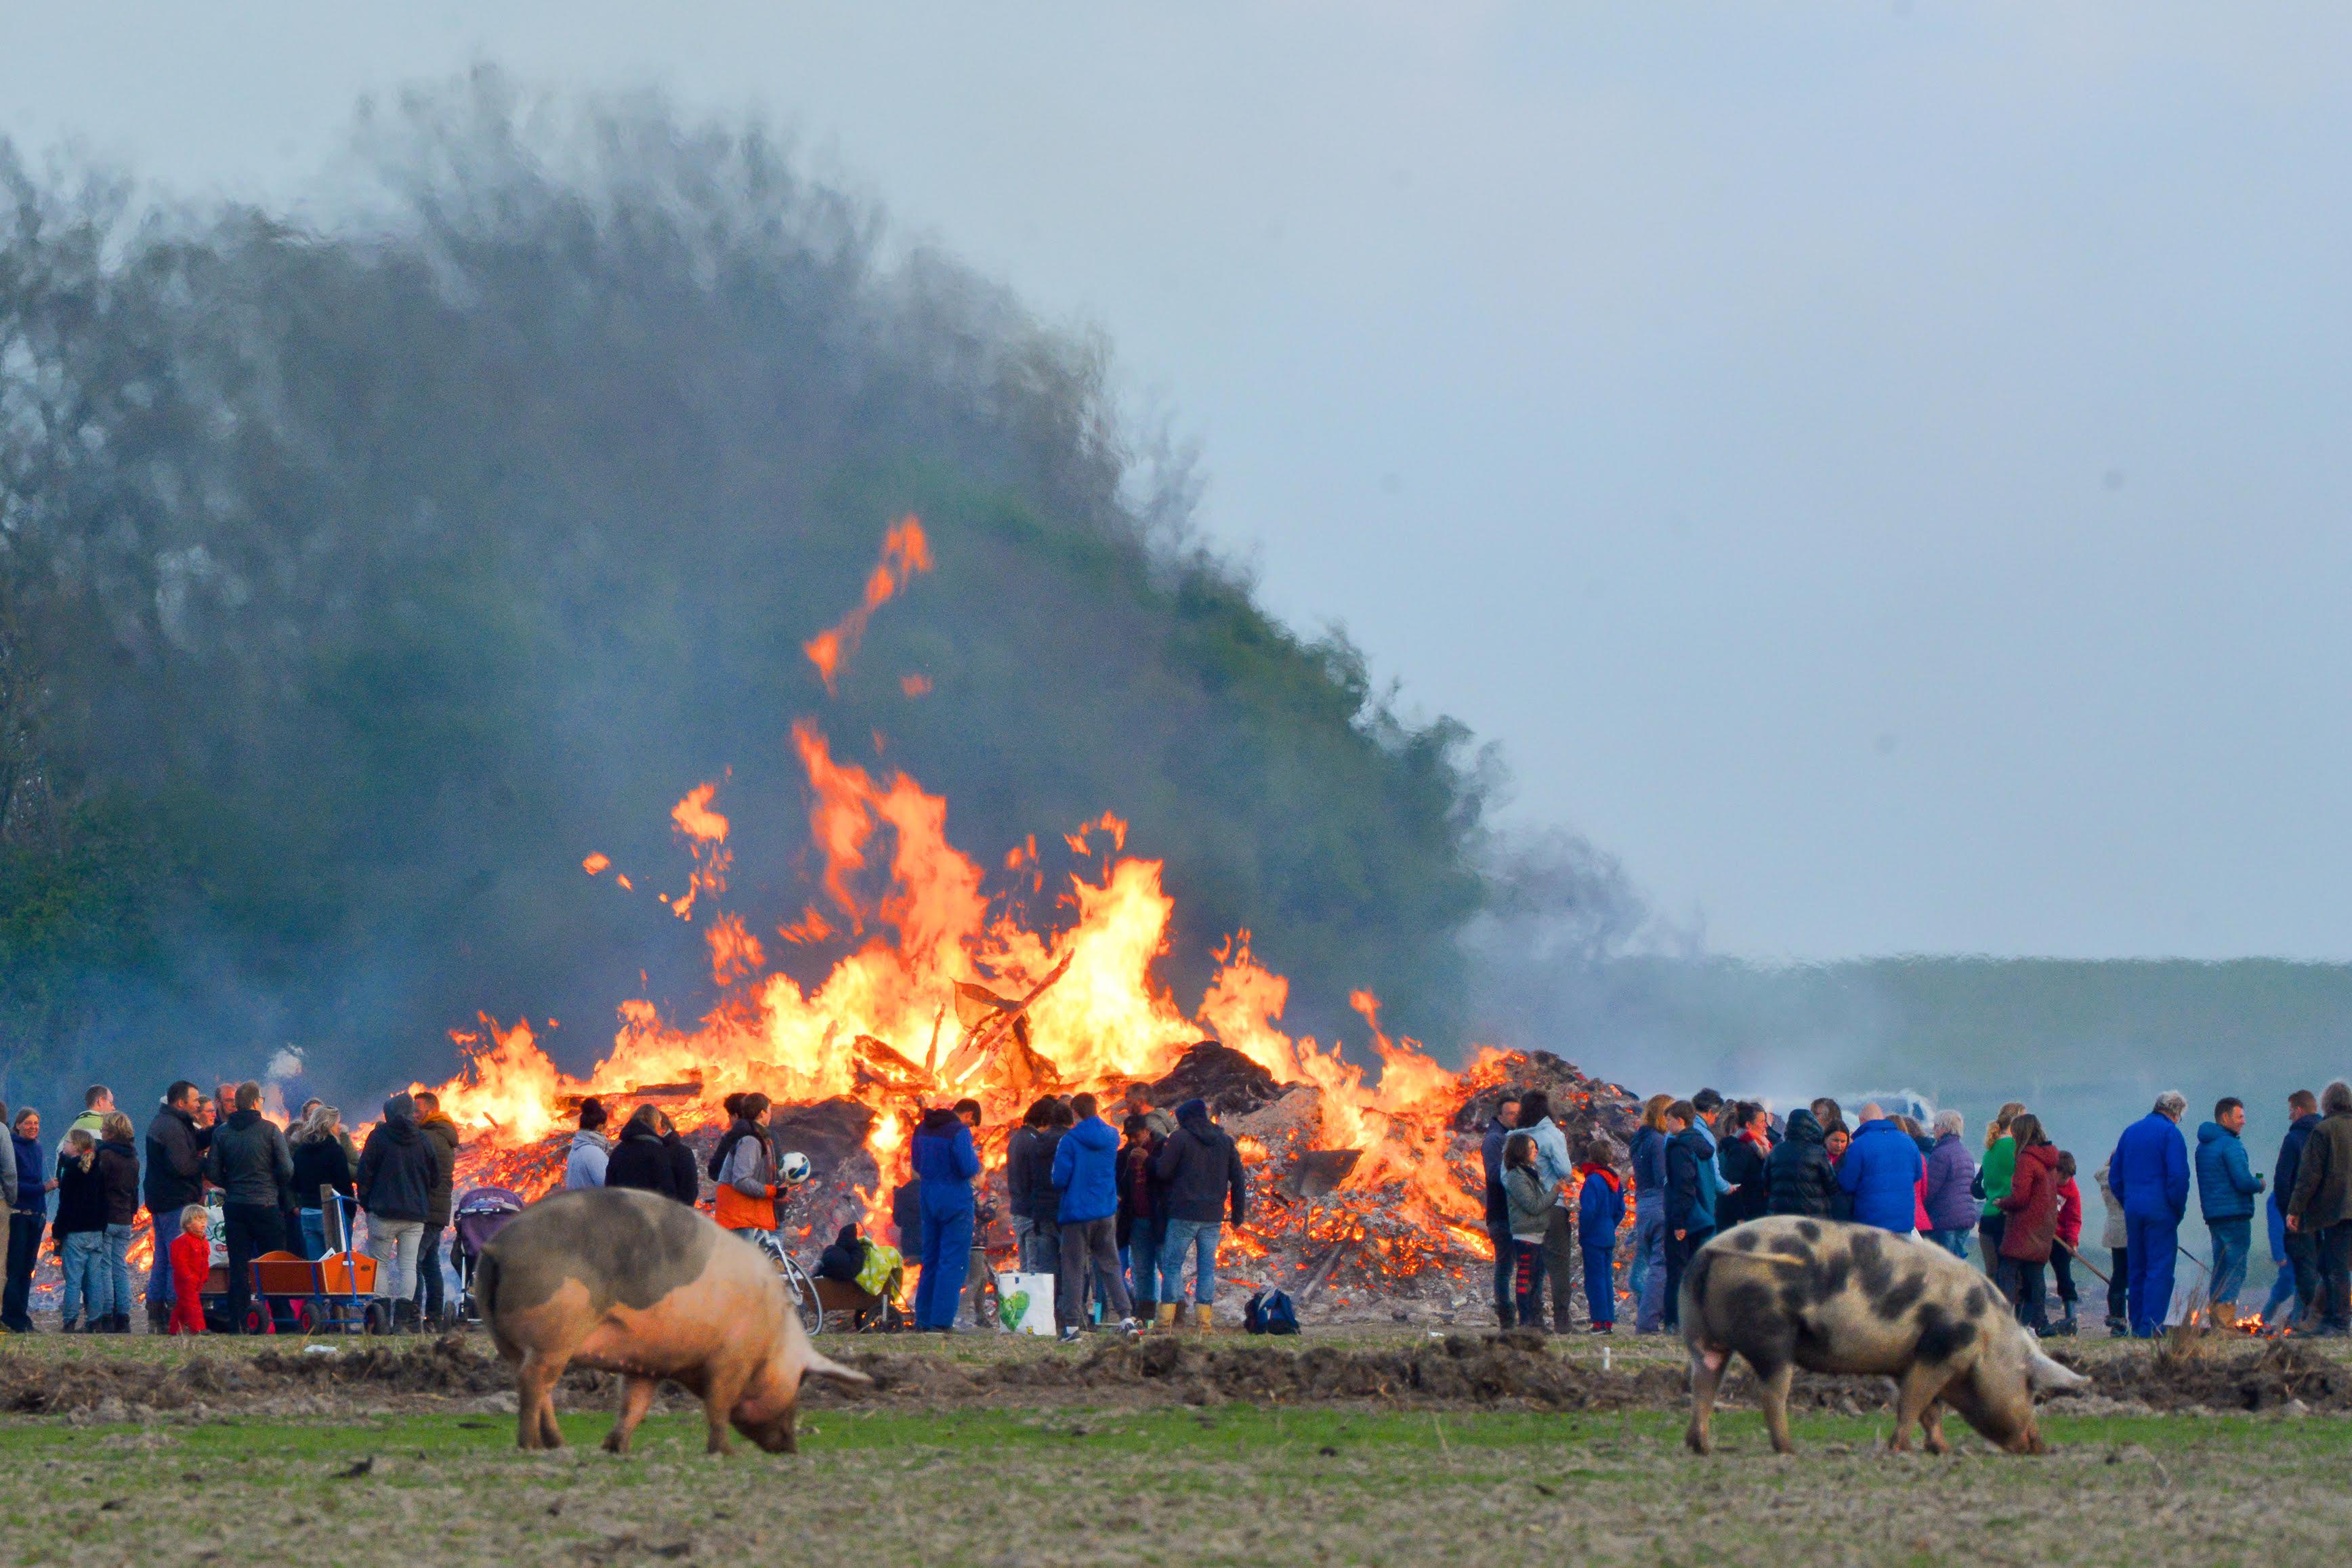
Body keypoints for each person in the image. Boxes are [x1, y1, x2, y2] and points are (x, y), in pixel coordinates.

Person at [207, 1081, 295, 1335]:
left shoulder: (222, 1133)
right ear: (256, 1102)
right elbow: (287, 1169)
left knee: (238, 1267)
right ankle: (284, 1322)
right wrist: (273, 1184)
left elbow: (212, 1171)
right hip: (266, 1206)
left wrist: (232, 1185)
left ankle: (239, 1323)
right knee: (274, 1265)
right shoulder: (270, 1131)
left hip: (235, 1207)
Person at [1154, 1098, 1248, 1331]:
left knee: (1172, 1265)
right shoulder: (1225, 1142)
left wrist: (1152, 1163)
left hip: (1183, 1214)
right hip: (1212, 1217)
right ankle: (1204, 1324)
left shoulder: (1179, 1138)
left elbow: (1164, 1173)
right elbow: (1238, 1180)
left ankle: (1166, 1322)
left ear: (1184, 1118)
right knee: (1207, 1268)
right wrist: (1237, 1214)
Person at [1049, 1093, 1135, 1340]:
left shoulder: (1069, 1140)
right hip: (1106, 1211)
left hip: (1077, 1213)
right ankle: (1127, 1319)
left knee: (1074, 1268)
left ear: (1075, 1113)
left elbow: (1060, 1179)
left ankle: (1072, 1327)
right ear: (1097, 1109)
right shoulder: (1112, 1137)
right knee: (1111, 1266)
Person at [2108, 1090, 2191, 1337]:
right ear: (2175, 1113)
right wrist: (2177, 1209)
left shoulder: (2130, 1132)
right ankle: (2151, 1327)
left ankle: (2137, 1324)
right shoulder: (2171, 1134)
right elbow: (2179, 1177)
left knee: (2137, 1267)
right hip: (2161, 1210)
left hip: (2133, 1210)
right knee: (2159, 1269)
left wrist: (2128, 1201)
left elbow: (2115, 1176)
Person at [354, 1092, 440, 1330]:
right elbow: (435, 1177)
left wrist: (366, 1202)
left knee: (379, 1263)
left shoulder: (378, 1137)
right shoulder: (422, 1139)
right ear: (410, 1112)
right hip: (414, 1216)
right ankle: (401, 1323)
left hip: (382, 1213)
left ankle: (380, 1322)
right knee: (408, 1266)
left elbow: (365, 1173)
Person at [2285, 1080, 2352, 1336]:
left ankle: (2340, 1324)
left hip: (2337, 1210)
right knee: (2327, 1265)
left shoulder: (2324, 1131)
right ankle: (2321, 1321)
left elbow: (2309, 1176)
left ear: (2327, 1103)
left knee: (2336, 1269)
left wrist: (2295, 1209)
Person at [141, 1082, 207, 1329]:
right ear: (181, 1102)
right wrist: (206, 1163)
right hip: (174, 1200)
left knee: (163, 1258)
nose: (198, 1104)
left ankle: (156, 1315)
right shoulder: (171, 1127)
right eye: (195, 1100)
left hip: (162, 1200)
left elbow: (190, 1144)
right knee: (177, 1260)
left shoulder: (171, 1123)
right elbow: (183, 1165)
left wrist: (214, 1132)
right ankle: (174, 1315)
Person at [910, 1103, 981, 1332]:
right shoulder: (959, 1131)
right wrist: (977, 1161)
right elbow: (968, 1168)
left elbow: (916, 1165)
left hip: (928, 1197)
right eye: (972, 1122)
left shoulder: (922, 1128)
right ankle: (941, 1322)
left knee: (930, 1258)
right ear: (968, 1115)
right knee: (952, 1261)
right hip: (956, 1201)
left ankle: (923, 1319)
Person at [2193, 1096, 2263, 1323]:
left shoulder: (2204, 1147)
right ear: (2225, 1117)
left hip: (2214, 1216)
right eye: (2239, 1116)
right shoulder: (2231, 1144)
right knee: (2236, 1266)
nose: (2243, 1121)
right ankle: (2225, 1321)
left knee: (2221, 1265)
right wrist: (2259, 1184)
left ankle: (2215, 1317)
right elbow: (2242, 1181)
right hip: (2235, 1214)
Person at [1516, 1090, 1578, 1333]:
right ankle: (1562, 1321)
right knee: (1559, 1265)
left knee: (1529, 1266)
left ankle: (1533, 1320)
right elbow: (1565, 1170)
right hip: (1553, 1207)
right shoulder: (1553, 1135)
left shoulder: (1516, 1138)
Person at [1997, 1114, 2059, 1330]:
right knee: (2035, 1273)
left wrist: (2002, 1203)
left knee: (2007, 1272)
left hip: (2025, 1224)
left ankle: (2004, 1322)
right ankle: (2040, 1322)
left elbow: (2021, 1197)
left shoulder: (2026, 1159)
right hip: (2044, 1223)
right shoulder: (2050, 1158)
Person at [2269, 1088, 2322, 1328]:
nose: (2289, 1116)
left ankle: (2306, 1319)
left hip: (2301, 1217)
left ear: (2299, 1111)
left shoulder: (2293, 1139)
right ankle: (2332, 1318)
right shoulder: (2328, 1134)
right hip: (2331, 1216)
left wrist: (2288, 1213)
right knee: (2331, 1268)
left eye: (2291, 1111)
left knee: (2305, 1269)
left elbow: (2282, 1182)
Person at [1661, 1101, 1713, 1332]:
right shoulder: (1703, 1145)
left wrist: (1679, 1222)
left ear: (1680, 1121)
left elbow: (1683, 1185)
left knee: (1677, 1270)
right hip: (1703, 1215)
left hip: (1685, 1217)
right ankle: (1695, 1320)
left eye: (1669, 1120)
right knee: (1695, 1270)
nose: (1667, 1125)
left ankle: (1674, 1320)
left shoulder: (1679, 1148)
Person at [413, 1090, 461, 1328]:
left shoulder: (428, 1137)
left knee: (414, 1263)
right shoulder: (442, 1134)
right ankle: (433, 1318)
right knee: (431, 1264)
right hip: (437, 1209)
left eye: (417, 1109)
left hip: (427, 1208)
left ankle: (412, 1318)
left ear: (431, 1110)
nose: (413, 1114)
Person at [1839, 1103, 1926, 1235]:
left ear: (1862, 1121)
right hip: (1904, 1223)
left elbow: (1847, 1184)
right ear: (1883, 1118)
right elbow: (1918, 1175)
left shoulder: (1859, 1145)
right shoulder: (1908, 1142)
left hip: (1871, 1225)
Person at [1118, 1109, 1171, 1325]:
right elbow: (1119, 1183)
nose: (1133, 1141)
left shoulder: (1163, 1148)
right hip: (1136, 1219)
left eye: (1136, 1136)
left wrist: (1148, 1161)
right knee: (1141, 1269)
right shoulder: (1124, 1154)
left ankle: (1171, 1314)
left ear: (1147, 1131)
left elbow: (1167, 1175)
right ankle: (1145, 1315)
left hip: (1160, 1218)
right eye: (1129, 1137)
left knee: (1166, 1266)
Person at [52, 1129, 107, 1333]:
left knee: (73, 1280)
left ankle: (70, 1321)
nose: (64, 1145)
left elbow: (65, 1206)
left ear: (76, 1147)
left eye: (67, 1141)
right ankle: (95, 1321)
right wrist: (102, 1227)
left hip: (75, 1233)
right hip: (95, 1231)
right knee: (94, 1279)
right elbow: (104, 1202)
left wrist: (58, 1232)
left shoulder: (71, 1171)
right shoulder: (98, 1170)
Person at [93, 1112, 140, 1334]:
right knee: (120, 1267)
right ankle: (124, 1317)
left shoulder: (105, 1156)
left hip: (105, 1218)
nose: (101, 1133)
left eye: (103, 1129)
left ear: (111, 1132)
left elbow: (97, 1188)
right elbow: (134, 1191)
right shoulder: (133, 1157)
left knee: (104, 1266)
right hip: (124, 1219)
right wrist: (131, 1213)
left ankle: (106, 1316)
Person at [711, 1093, 781, 1238]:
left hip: (747, 1213)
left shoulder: (758, 1137)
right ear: (762, 1113)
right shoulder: (750, 1141)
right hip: (740, 1216)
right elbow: (741, 1180)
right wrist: (772, 1192)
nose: (771, 1115)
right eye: (770, 1110)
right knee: (744, 1260)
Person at [3, 1107, 49, 1332]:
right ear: (18, 1125)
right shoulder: (12, 1147)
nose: (33, 1127)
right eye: (29, 1123)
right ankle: (12, 1315)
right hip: (20, 1214)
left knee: (28, 1267)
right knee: (16, 1267)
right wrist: (42, 1189)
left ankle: (22, 1315)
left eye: (37, 1124)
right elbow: (14, 1184)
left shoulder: (38, 1148)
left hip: (37, 1215)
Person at [290, 1105, 356, 1258]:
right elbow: (344, 1184)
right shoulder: (335, 1151)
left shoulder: (301, 1151)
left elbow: (295, 1184)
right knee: (339, 1264)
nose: (339, 1127)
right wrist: (349, 1212)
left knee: (317, 1265)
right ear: (329, 1125)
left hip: (308, 1213)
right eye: (337, 1123)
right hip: (332, 1214)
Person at [1629, 1095, 1671, 1334]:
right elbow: (1662, 1176)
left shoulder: (1639, 1140)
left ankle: (1648, 1311)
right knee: (1659, 1266)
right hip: (1658, 1205)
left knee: (1643, 1262)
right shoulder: (1657, 1141)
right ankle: (1649, 1320)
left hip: (1642, 1205)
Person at [1500, 1132, 1551, 1330]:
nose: (1536, 1151)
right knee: (1526, 1278)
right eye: (1531, 1148)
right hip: (1526, 1236)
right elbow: (1533, 1205)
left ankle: (1534, 1321)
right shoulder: (1516, 1177)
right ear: (1520, 1151)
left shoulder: (1531, 1173)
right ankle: (1526, 1322)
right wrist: (1554, 1193)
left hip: (1537, 1234)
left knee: (1536, 1280)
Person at [1481, 1095, 1523, 1329]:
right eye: (1510, 1113)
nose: (1515, 1117)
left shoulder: (1512, 1137)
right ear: (1499, 1116)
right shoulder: (1495, 1140)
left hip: (1515, 1214)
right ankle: (1506, 1315)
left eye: (1518, 1113)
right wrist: (1519, 1173)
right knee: (1505, 1267)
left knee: (1515, 1266)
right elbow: (1493, 1175)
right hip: (1501, 1214)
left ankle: (1517, 1313)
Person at [1576, 1140, 1625, 1334]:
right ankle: (1608, 1322)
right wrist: (1610, 1225)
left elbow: (1588, 1211)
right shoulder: (1615, 1180)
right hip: (1608, 1235)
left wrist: (1584, 1232)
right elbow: (1621, 1210)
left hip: (1594, 1237)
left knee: (1594, 1279)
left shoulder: (1593, 1181)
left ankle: (1598, 1322)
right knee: (1606, 1278)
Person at [1007, 1098, 1058, 1273]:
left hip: (1017, 1210)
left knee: (1026, 1266)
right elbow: (1039, 1177)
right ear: (1044, 1120)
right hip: (1031, 1213)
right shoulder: (1034, 1141)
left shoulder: (1016, 1139)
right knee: (1036, 1268)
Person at [1764, 1106, 1839, 1219]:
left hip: (1781, 1217)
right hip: (1812, 1217)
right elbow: (1832, 1186)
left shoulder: (1776, 1151)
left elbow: (1766, 1182)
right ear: (1812, 1127)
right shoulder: (1818, 1152)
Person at [1978, 1102, 2027, 1274]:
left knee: (1993, 1273)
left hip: (1988, 1215)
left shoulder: (1990, 1149)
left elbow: (1985, 1185)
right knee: (2011, 1275)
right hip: (2008, 1216)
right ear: (2016, 1122)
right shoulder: (2016, 1148)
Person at [1922, 1109, 1977, 1258]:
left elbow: (1930, 1189)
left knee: (1943, 1266)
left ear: (1945, 1128)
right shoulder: (1965, 1153)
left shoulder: (1941, 1153)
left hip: (1946, 1219)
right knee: (1957, 1263)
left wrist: (1922, 1210)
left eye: (1936, 1126)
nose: (1933, 1130)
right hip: (1966, 1217)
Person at [607, 1103, 689, 1201]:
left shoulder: (619, 1151)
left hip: (623, 1212)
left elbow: (610, 1187)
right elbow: (667, 1191)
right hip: (649, 1213)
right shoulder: (658, 1152)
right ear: (655, 1124)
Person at [1714, 1102, 1771, 1230]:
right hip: (1744, 1219)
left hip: (1754, 1216)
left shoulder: (1759, 1148)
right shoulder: (1741, 1150)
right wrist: (1739, 1216)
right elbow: (1732, 1185)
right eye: (1762, 1121)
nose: (1765, 1125)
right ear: (1748, 1125)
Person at [2094, 1156, 2130, 1335]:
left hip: (2114, 1228)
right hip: (2129, 1228)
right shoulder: (2122, 1178)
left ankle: (2117, 1318)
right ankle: (2125, 1320)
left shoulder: (2106, 1178)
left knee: (2119, 1274)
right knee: (2128, 1275)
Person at [2049, 1151, 2083, 1336]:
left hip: (2060, 1240)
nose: (2065, 1181)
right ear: (2055, 1170)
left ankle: (2071, 1318)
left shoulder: (2073, 1191)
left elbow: (2074, 1219)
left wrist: (2072, 1241)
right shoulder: (2044, 1182)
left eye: (2068, 1178)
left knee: (2065, 1277)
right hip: (2041, 1235)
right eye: (2062, 1177)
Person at [165, 1206, 211, 1336]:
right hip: (186, 1280)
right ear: (188, 1224)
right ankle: (198, 1328)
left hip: (198, 1279)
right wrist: (188, 1277)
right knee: (193, 1303)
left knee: (182, 1305)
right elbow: (179, 1262)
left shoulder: (203, 1241)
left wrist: (204, 1276)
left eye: (204, 1220)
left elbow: (205, 1260)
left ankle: (174, 1329)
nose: (203, 1223)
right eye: (198, 1220)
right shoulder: (183, 1241)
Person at [563, 1099, 610, 1190]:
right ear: (600, 1127)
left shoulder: (576, 1149)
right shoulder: (593, 1153)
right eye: (607, 1127)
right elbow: (607, 1188)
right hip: (590, 1203)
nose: (607, 1132)